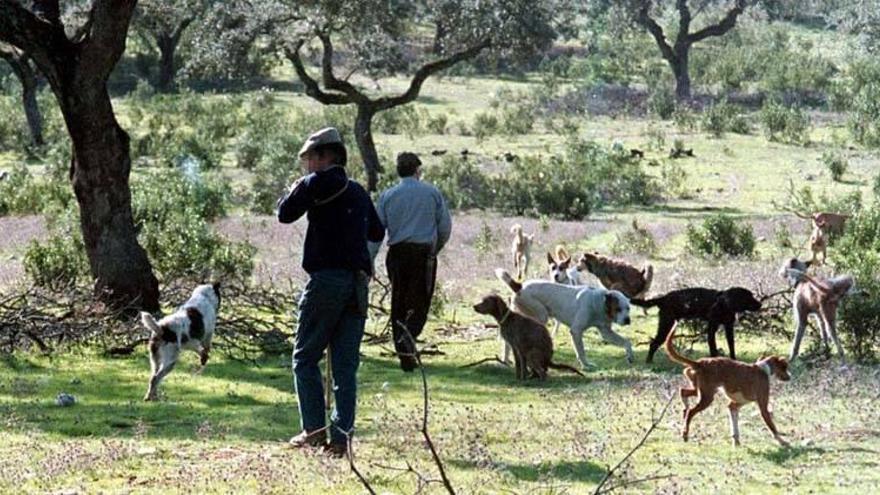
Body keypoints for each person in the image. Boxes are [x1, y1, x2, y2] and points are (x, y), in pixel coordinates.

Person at [277, 127, 384, 457]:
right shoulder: (357, 191)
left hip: (326, 282)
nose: (307, 165)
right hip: (356, 284)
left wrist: (299, 187)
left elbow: (284, 213)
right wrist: (364, 262)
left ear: (326, 156)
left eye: (310, 158)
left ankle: (313, 430)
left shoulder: (315, 183)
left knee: (305, 357)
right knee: (344, 367)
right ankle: (340, 440)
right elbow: (377, 231)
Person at [373, 152, 452, 372]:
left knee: (399, 300)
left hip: (397, 254)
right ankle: (409, 338)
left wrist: (368, 260)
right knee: (420, 300)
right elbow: (444, 226)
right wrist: (435, 249)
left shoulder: (388, 195)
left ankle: (403, 350)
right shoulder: (431, 192)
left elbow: (376, 231)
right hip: (422, 254)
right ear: (418, 170)